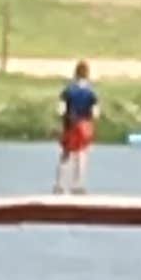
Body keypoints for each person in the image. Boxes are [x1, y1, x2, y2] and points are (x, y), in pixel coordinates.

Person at [54, 59, 100, 191]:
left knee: (66, 154)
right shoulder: (91, 92)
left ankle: (60, 185)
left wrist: (63, 120)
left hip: (70, 124)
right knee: (82, 154)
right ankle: (78, 185)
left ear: (75, 73)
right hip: (85, 126)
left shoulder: (68, 91)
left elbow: (61, 110)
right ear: (87, 74)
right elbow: (96, 113)